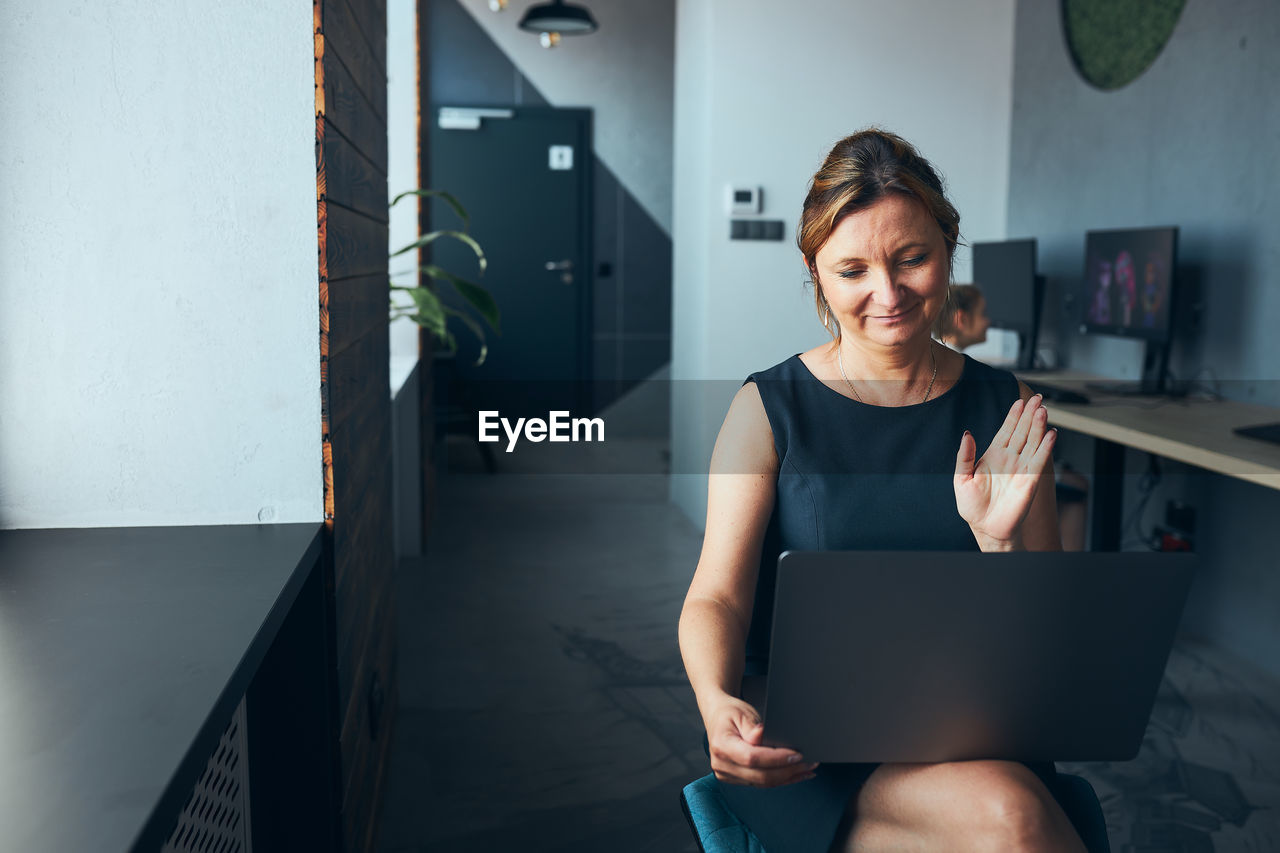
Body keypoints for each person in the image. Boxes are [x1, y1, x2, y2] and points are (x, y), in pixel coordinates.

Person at [677, 128, 1085, 852]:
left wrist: (996, 542)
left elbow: (1051, 641)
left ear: (949, 248)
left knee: (1016, 814)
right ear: (817, 272)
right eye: (853, 270)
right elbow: (717, 596)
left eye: (912, 259)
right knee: (1016, 822)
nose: (887, 294)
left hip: (976, 728)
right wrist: (714, 701)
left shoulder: (1006, 404)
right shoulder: (769, 408)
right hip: (818, 749)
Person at [935, 283, 990, 350]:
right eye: (983, 314)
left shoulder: (934, 354)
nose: (988, 322)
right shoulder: (950, 359)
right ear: (961, 319)